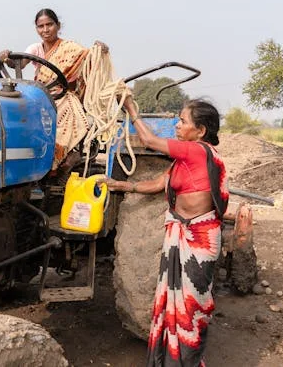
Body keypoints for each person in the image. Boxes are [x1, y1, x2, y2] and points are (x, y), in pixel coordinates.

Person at [101, 97, 228, 367]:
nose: (177, 126)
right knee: (175, 303)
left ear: (201, 131)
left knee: (191, 308)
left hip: (199, 238)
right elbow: (160, 182)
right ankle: (170, 360)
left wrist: (132, 110)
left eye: (182, 122)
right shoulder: (184, 160)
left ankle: (189, 361)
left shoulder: (197, 151)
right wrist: (122, 187)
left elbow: (148, 141)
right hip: (182, 232)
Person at [0, 8, 108, 169]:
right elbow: (19, 63)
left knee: (67, 108)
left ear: (58, 25)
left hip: (64, 95)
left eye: (49, 25)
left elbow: (87, 59)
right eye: (40, 26)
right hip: (41, 94)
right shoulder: (36, 49)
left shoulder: (70, 49)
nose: (45, 30)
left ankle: (63, 154)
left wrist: (98, 51)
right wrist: (7, 58)